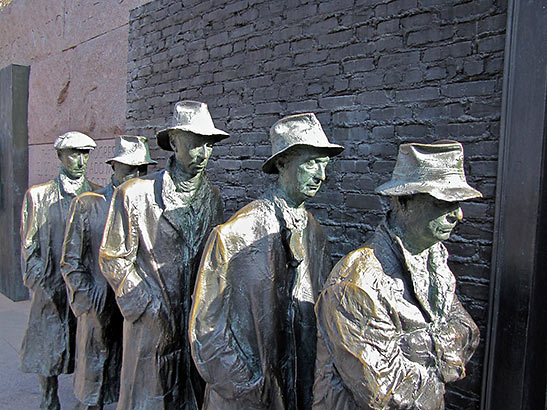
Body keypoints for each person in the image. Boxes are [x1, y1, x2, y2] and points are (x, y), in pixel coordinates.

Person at [190, 113, 344, 410]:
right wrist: (247, 384)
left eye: (324, 165)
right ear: (282, 163)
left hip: (297, 388)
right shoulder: (236, 235)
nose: (321, 175)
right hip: (245, 396)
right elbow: (206, 328)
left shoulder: (315, 233)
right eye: (311, 162)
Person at [313, 141, 481, 410]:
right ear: (404, 200)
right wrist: (440, 353)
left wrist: (413, 346)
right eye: (444, 202)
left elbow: (468, 333)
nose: (458, 215)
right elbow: (386, 393)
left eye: (458, 202)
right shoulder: (357, 283)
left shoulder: (435, 260)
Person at [99, 101, 228, 410]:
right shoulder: (134, 193)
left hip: (193, 323)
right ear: (173, 142)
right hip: (151, 323)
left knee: (188, 396)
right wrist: (148, 306)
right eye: (194, 143)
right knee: (149, 397)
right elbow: (113, 257)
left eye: (208, 145)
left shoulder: (212, 197)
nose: (203, 153)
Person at [61, 136, 157, 410]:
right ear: (113, 167)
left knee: (125, 377)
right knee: (95, 380)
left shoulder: (147, 207)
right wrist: (87, 303)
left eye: (142, 170)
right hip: (98, 305)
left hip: (132, 308)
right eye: (129, 168)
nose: (136, 175)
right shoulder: (88, 204)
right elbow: (70, 261)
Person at [20, 131, 99, 410]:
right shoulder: (38, 196)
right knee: (48, 340)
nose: (80, 160)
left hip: (82, 282)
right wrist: (38, 278)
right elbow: (29, 243)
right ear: (59, 156)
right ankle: (48, 395)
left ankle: (86, 396)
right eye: (73, 153)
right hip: (50, 281)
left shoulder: (96, 194)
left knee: (86, 340)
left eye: (85, 153)